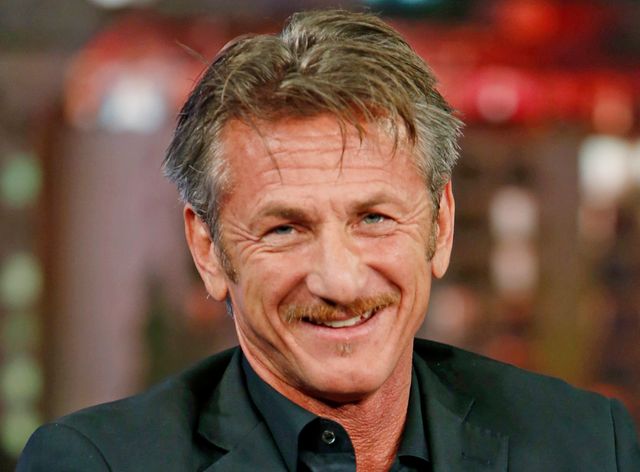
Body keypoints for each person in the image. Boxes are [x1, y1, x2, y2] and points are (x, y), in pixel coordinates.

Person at [18, 9, 640, 472]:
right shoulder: (96, 464)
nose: (340, 282)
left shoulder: (586, 444)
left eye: (374, 219)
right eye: (285, 229)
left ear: (441, 225)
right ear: (208, 249)